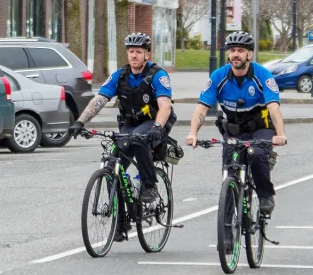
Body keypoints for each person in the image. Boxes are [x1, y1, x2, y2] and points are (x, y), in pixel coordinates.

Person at [185, 31, 287, 214]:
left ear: (249, 54)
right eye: (232, 50)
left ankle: (265, 196)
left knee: (256, 155)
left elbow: (273, 108)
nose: (235, 55)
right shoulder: (219, 76)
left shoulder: (262, 75)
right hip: (233, 130)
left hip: (260, 128)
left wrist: (280, 134)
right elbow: (201, 109)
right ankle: (228, 232)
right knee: (230, 170)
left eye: (241, 50)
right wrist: (193, 133)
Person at [69, 32, 176, 206]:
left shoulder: (158, 75)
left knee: (138, 140)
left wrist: (157, 127)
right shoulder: (119, 76)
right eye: (131, 51)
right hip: (130, 124)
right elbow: (100, 100)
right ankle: (119, 227)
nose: (134, 55)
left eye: (139, 52)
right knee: (112, 164)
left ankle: (150, 186)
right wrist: (80, 122)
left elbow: (165, 106)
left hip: (155, 121)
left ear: (147, 55)